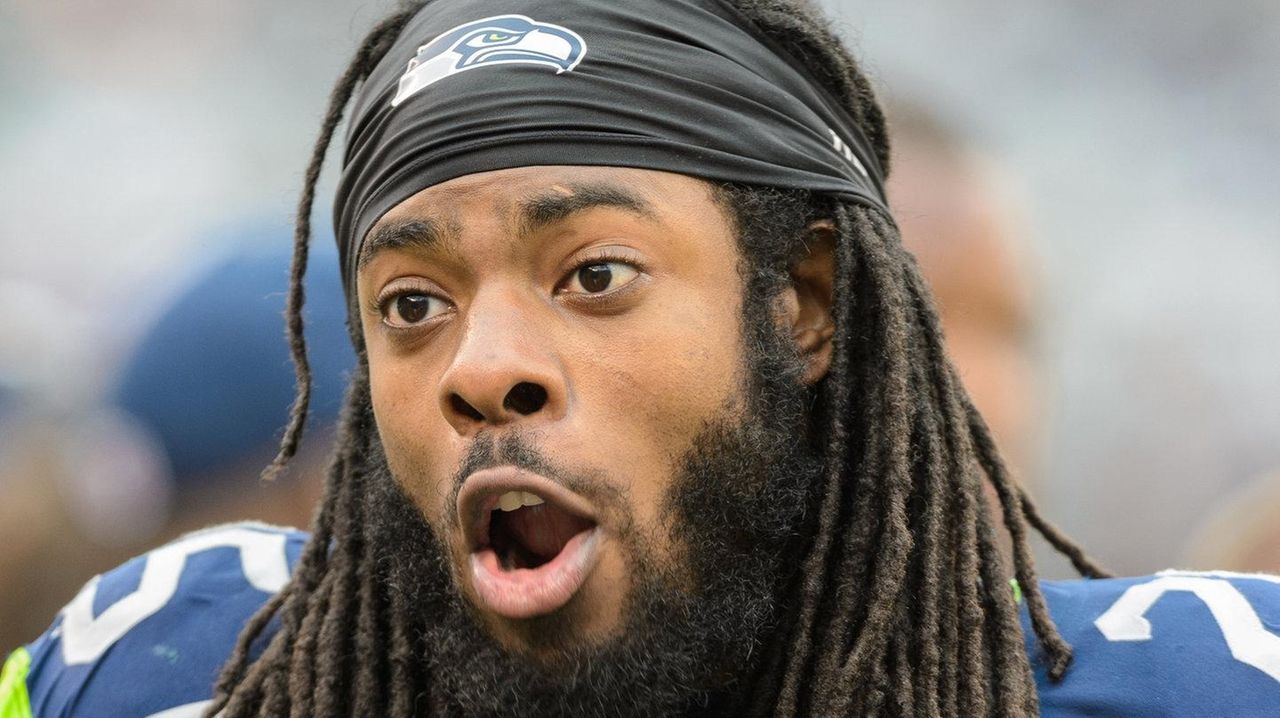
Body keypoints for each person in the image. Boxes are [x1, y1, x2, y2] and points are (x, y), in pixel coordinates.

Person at [4, 1, 1278, 716]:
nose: (482, 365)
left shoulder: (1196, 687)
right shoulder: (170, 668)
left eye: (592, 276)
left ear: (803, 306)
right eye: (408, 303)